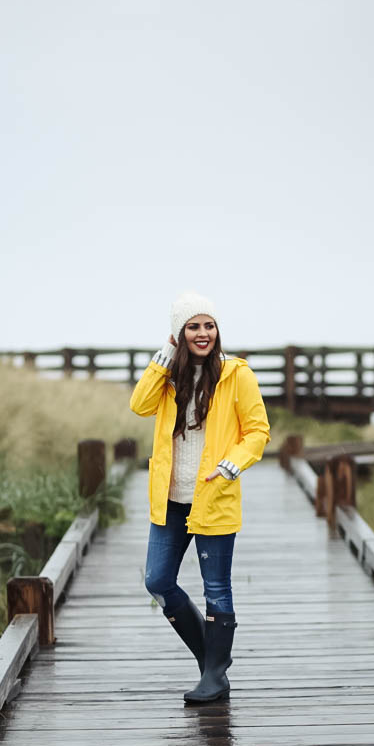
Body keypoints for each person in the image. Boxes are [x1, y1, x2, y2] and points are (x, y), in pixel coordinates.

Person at [129, 291, 270, 703]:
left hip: (212, 495)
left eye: (209, 326)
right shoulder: (168, 378)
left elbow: (258, 431)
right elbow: (139, 405)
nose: (203, 333)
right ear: (180, 332)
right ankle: (211, 661)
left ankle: (214, 675)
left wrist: (232, 464)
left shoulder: (235, 373)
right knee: (157, 580)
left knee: (217, 589)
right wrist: (164, 355)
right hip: (170, 498)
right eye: (193, 326)